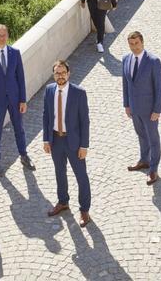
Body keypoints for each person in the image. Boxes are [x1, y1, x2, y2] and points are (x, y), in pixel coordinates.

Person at [43, 60, 92, 227]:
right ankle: (63, 201)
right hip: (56, 140)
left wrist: (84, 146)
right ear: (53, 75)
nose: (60, 76)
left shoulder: (79, 93)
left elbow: (85, 121)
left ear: (68, 74)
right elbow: (46, 116)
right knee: (59, 172)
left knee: (81, 176)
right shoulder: (49, 90)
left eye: (63, 72)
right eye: (57, 73)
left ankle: (84, 210)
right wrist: (46, 139)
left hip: (74, 141)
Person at [0, 24, 35, 177]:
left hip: (15, 98)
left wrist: (23, 100)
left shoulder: (15, 53)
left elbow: (21, 78)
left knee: (19, 128)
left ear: (7, 36)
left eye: (4, 35)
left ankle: (24, 155)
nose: (2, 38)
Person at [122, 31, 161, 185]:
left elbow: (159, 88)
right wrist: (126, 104)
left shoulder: (153, 61)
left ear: (142, 42)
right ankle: (144, 160)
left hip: (149, 109)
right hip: (134, 108)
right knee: (140, 134)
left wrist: (157, 110)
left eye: (137, 44)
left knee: (153, 139)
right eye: (131, 44)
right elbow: (125, 84)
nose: (134, 47)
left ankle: (153, 169)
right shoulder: (126, 59)